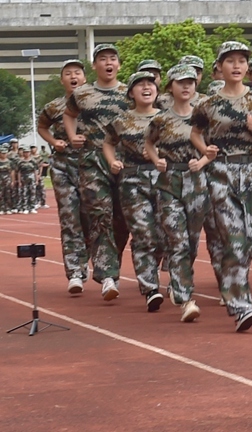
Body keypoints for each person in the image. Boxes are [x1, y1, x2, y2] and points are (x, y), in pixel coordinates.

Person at [191, 41, 252, 332]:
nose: (236, 66)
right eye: (230, 61)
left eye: (241, 61)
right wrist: (205, 150)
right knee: (233, 238)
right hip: (221, 170)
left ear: (248, 67)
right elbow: (195, 133)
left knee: (247, 240)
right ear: (219, 66)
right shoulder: (207, 104)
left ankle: (235, 291)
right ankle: (241, 306)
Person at [63, 43, 132, 303]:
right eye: (103, 59)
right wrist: (72, 136)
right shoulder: (82, 93)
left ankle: (111, 264)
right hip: (92, 159)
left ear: (119, 64)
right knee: (100, 215)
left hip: (124, 159)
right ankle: (108, 276)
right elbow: (69, 115)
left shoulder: (130, 92)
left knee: (122, 220)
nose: (108, 62)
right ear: (95, 65)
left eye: (113, 58)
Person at [145, 65, 210, 322]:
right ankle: (186, 298)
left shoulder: (204, 117)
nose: (186, 87)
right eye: (181, 82)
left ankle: (177, 280)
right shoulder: (160, 119)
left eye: (191, 82)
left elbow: (213, 149)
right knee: (178, 240)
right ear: (170, 86)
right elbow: (148, 142)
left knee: (192, 243)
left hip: (196, 182)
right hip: (169, 182)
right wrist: (156, 160)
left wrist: (202, 162)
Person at [101, 71, 164, 312]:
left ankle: (152, 273)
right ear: (131, 93)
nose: (147, 88)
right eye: (140, 85)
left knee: (162, 236)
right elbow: (108, 142)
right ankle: (150, 288)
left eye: (151, 84)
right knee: (143, 234)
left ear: (157, 91)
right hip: (132, 180)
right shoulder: (122, 120)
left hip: (163, 180)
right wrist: (112, 161)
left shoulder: (166, 118)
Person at [37, 59, 91, 295]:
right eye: (68, 74)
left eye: (77, 73)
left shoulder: (94, 104)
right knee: (70, 220)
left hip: (91, 167)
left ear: (84, 78)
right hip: (62, 166)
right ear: (62, 80)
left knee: (91, 219)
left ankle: (87, 260)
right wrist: (54, 141)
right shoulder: (54, 107)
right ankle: (75, 272)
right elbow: (42, 127)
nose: (73, 77)